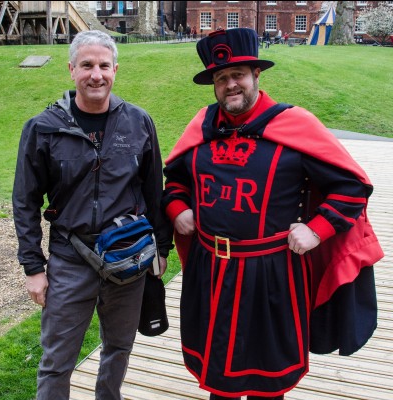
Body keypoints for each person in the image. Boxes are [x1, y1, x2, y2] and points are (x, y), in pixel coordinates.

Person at [162, 28, 383, 399]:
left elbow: (351, 187)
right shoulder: (202, 127)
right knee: (217, 376)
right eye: (221, 79)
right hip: (210, 272)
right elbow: (176, 181)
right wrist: (177, 207)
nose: (230, 85)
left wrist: (317, 229)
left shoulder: (295, 126)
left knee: (268, 379)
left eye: (238, 76)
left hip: (272, 274)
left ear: (256, 76)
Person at [12, 30, 173, 400]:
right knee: (56, 361)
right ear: (71, 70)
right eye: (87, 65)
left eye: (103, 65)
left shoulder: (138, 121)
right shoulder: (43, 128)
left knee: (119, 348)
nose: (95, 74)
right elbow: (25, 202)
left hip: (128, 259)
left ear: (115, 69)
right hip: (71, 260)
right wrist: (34, 268)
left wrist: (161, 249)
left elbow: (153, 189)